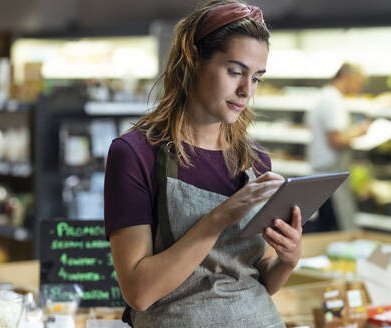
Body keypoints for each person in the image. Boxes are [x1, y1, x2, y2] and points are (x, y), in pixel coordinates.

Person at [104, 1, 302, 327]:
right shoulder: (136, 154)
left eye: (256, 78)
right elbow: (138, 292)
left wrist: (288, 259)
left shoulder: (255, 160)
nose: (245, 90)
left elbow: (256, 279)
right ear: (194, 62)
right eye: (235, 71)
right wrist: (220, 217)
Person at [304, 63, 370, 233]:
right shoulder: (332, 100)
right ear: (346, 76)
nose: (360, 87)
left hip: (325, 175)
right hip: (330, 176)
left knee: (326, 226)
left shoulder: (326, 96)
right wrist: (360, 131)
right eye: (359, 81)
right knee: (335, 229)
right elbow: (336, 139)